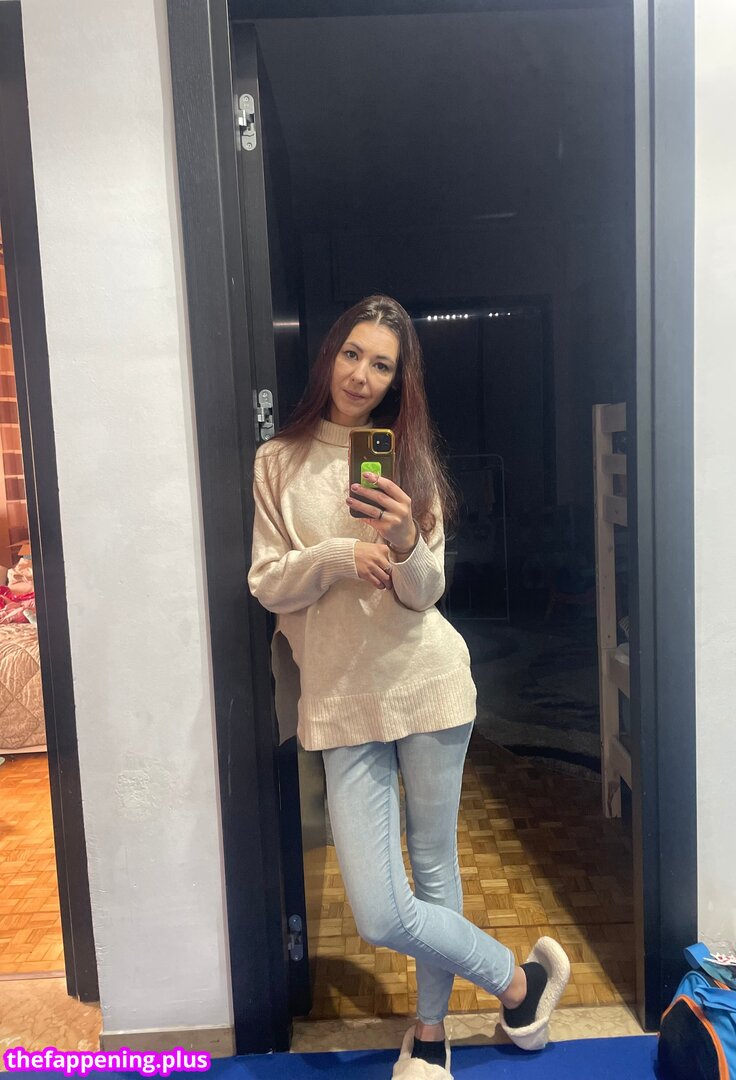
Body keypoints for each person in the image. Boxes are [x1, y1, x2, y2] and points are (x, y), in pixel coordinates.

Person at [248, 295, 570, 1078]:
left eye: (382, 365)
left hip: (427, 685)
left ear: (398, 381)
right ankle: (519, 982)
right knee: (380, 910)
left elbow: (426, 593)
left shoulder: (408, 462)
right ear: (330, 354)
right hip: (340, 700)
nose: (362, 374)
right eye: (352, 354)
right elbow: (266, 583)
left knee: (433, 869)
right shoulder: (277, 463)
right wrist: (334, 556)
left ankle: (430, 1034)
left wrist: (402, 542)